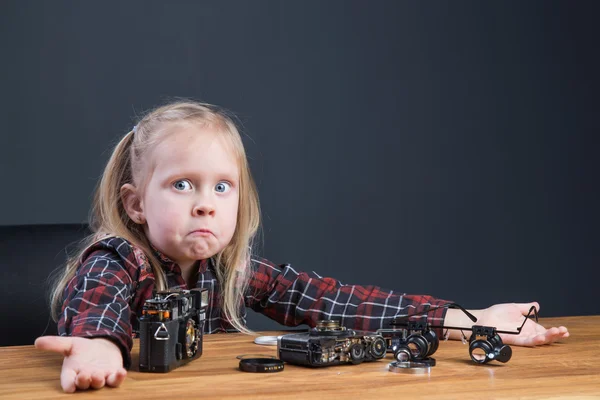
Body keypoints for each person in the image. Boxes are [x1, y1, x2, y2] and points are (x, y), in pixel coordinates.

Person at [35, 101, 569, 393]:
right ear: (135, 205)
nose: (206, 204)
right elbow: (95, 302)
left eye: (222, 186)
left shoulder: (230, 268)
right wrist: (99, 344)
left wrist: (469, 319)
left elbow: (335, 304)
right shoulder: (118, 259)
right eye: (182, 185)